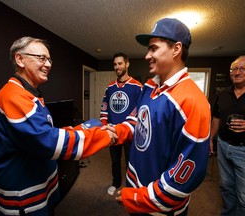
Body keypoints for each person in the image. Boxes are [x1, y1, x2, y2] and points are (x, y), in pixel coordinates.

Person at [0, 36, 117, 216]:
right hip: (25, 196)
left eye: (49, 59)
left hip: (41, 186)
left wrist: (86, 128)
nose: (48, 64)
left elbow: (44, 133)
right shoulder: (12, 96)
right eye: (41, 58)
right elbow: (50, 141)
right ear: (20, 59)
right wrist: (104, 136)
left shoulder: (30, 94)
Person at [103, 18, 211, 215]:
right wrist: (116, 131)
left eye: (153, 49)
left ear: (176, 49)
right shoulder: (150, 86)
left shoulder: (193, 101)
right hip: (136, 185)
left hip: (159, 206)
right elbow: (137, 119)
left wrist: (138, 197)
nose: (147, 56)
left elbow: (185, 176)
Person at [100, 52, 142, 195]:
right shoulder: (110, 87)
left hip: (130, 132)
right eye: (115, 64)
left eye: (120, 63)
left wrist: (129, 126)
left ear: (127, 64)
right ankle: (116, 182)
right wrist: (104, 125)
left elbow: (141, 109)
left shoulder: (137, 87)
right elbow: (104, 107)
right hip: (113, 131)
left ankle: (130, 186)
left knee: (131, 161)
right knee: (115, 160)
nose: (117, 67)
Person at [210, 56, 245, 216]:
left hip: (243, 150)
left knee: (243, 194)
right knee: (226, 186)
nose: (237, 72)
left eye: (242, 68)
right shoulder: (223, 94)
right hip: (223, 146)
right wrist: (210, 138)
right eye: (234, 69)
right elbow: (216, 118)